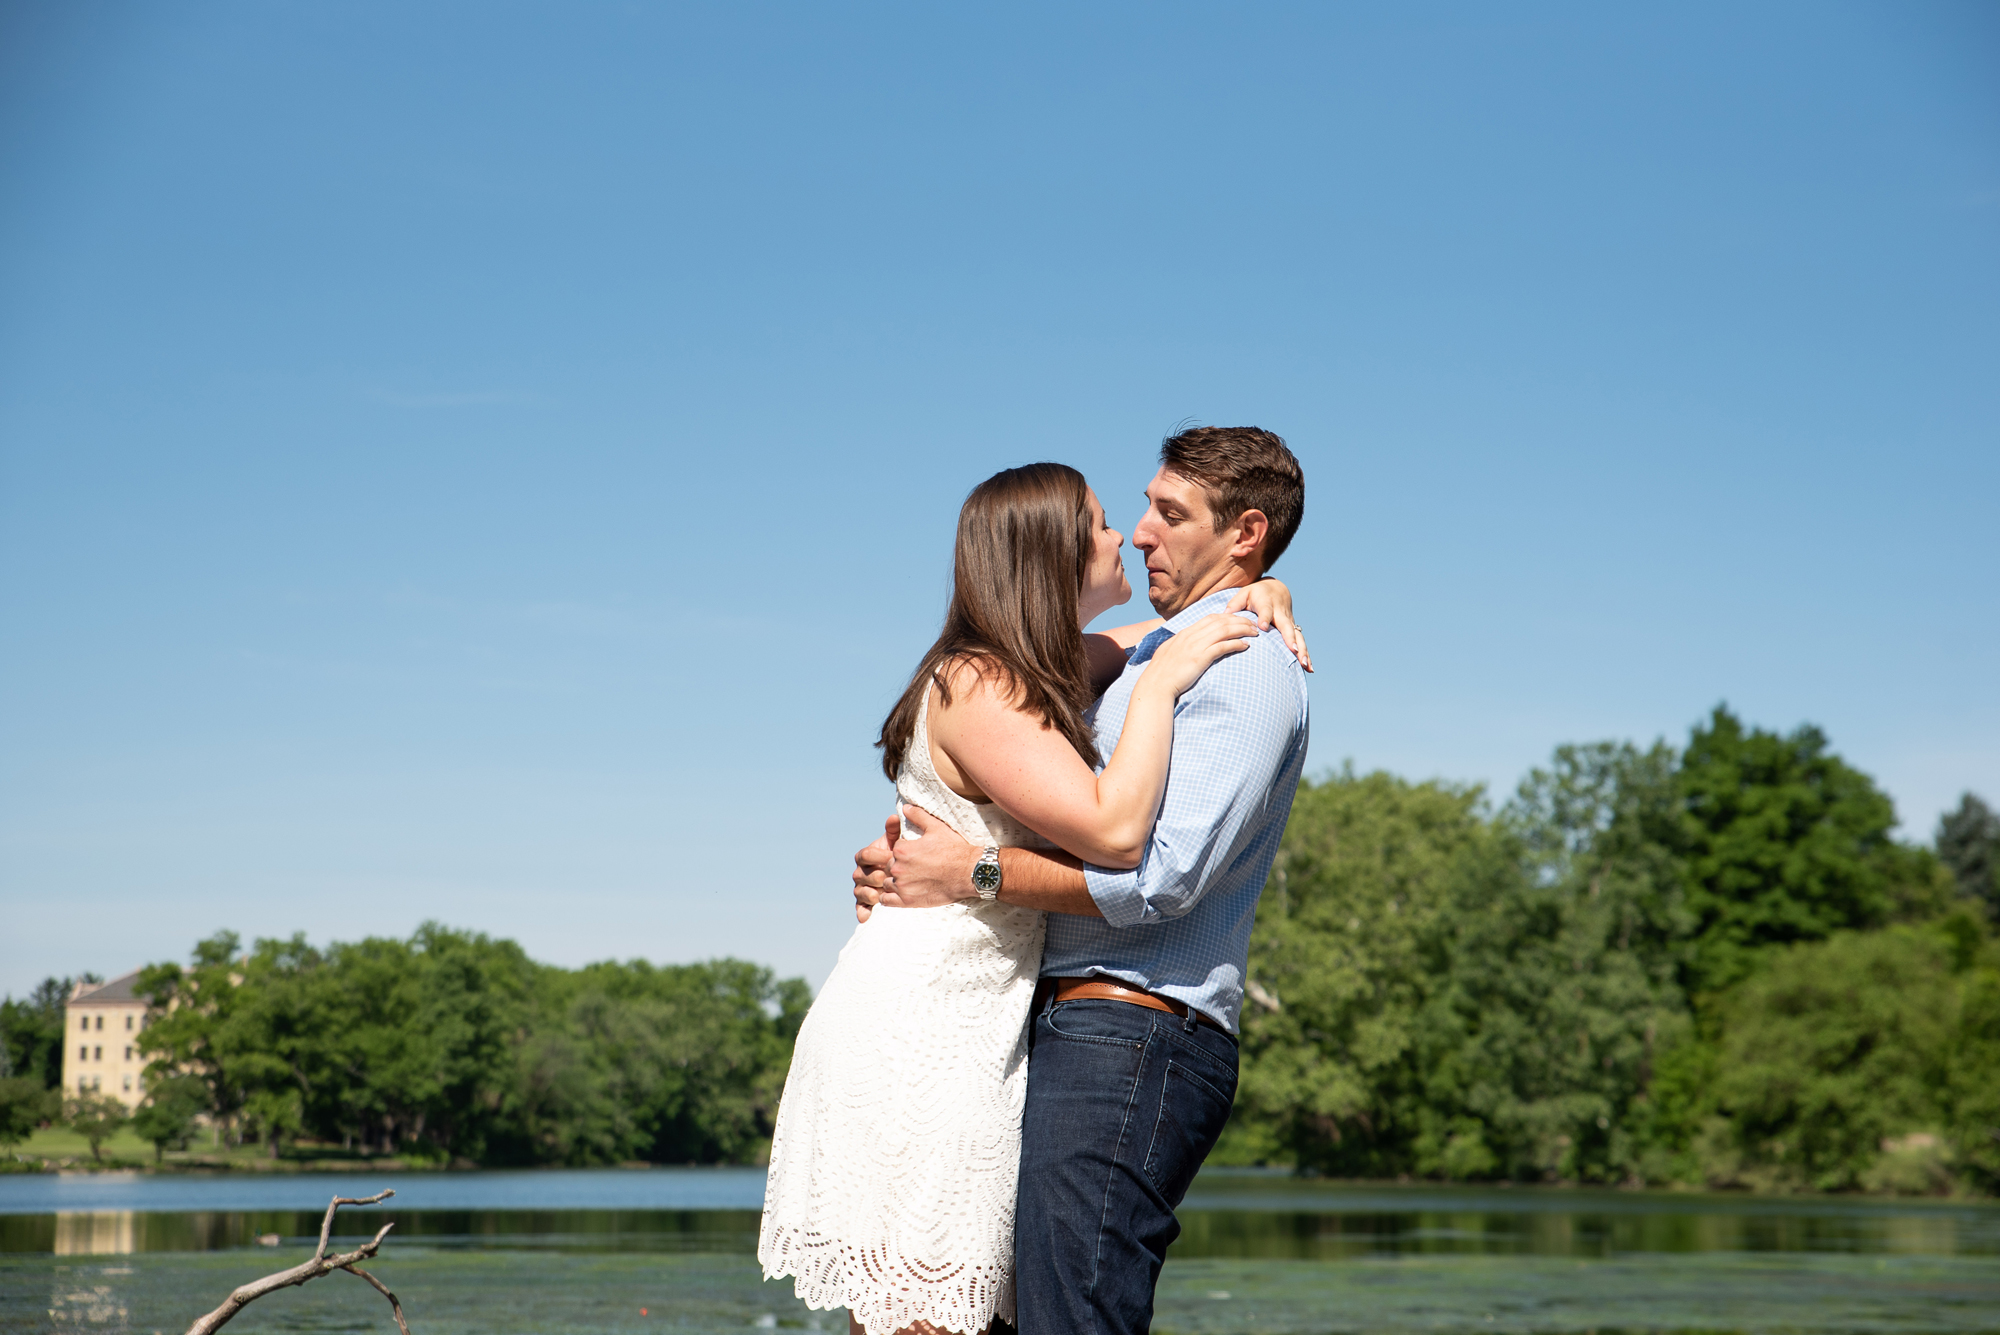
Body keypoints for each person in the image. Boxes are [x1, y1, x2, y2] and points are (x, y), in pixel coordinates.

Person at [759, 458, 1305, 1335]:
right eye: (1099, 522)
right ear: (1047, 557)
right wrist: (1165, 686)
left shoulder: (1051, 668)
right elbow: (1118, 833)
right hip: (932, 1024)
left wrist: (1260, 586)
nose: (1123, 533)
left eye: (1156, 512)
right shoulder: (985, 683)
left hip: (989, 1020)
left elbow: (1149, 641)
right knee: (926, 1310)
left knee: (952, 1309)